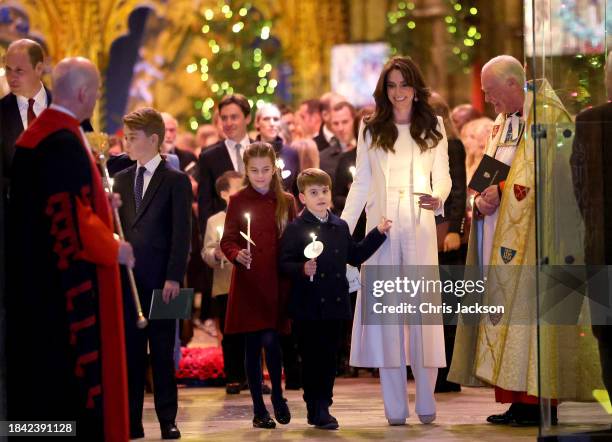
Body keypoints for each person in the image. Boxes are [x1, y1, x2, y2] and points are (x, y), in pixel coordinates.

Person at [7, 56, 132, 441]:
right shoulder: (61, 142)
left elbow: (61, 202)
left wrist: (101, 203)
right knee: (63, 389)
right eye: (94, 93)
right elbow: (70, 222)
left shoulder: (40, 136)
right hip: (63, 291)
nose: (94, 100)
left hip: (33, 279)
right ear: (82, 92)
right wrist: (115, 248)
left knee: (35, 383)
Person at [341, 55, 451, 425]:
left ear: (416, 88)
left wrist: (439, 200)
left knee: (423, 318)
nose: (399, 92)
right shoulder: (371, 129)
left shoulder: (434, 126)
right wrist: (340, 230)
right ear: (383, 90)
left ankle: (426, 399)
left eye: (404, 84)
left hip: (419, 226)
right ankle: (394, 407)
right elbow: (361, 184)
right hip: (382, 229)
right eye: (392, 85)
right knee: (387, 318)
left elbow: (444, 177)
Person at [279, 168, 390, 429]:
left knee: (329, 358)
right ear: (302, 197)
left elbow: (355, 255)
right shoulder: (295, 228)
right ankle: (314, 406)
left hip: (335, 303)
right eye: (314, 192)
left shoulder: (339, 226)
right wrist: (301, 268)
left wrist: (378, 233)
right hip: (307, 306)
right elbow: (283, 263)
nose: (321, 196)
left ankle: (324, 405)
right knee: (311, 357)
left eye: (325, 191)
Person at [113, 107, 192, 439]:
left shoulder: (176, 180)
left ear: (154, 139)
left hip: (165, 282)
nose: (127, 143)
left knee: (162, 353)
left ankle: (166, 419)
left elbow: (182, 232)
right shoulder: (120, 179)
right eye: (126, 136)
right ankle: (131, 420)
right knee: (131, 355)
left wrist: (174, 276)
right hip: (128, 282)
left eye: (133, 138)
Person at [220, 142, 296, 429]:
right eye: (254, 171)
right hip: (250, 282)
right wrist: (236, 253)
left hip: (276, 282)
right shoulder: (238, 200)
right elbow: (228, 240)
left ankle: (277, 395)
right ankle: (257, 408)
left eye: (266, 170)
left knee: (272, 341)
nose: (261, 175)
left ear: (274, 168)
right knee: (254, 345)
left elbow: (295, 238)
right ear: (246, 170)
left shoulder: (286, 200)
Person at [570, 54, 612, 405]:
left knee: (608, 336)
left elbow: (580, 188)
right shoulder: (589, 121)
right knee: (607, 335)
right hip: (601, 243)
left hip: (602, 242)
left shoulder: (590, 120)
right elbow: (580, 186)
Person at [429, 92, 467, 393]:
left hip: (445, 234)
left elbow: (457, 191)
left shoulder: (452, 145)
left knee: (448, 307)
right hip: (428, 230)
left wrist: (455, 228)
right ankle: (433, 371)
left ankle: (448, 374)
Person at [202, 170, 247, 395]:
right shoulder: (215, 221)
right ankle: (233, 376)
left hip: (250, 282)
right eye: (238, 187)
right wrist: (217, 254)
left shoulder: (250, 215)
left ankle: (254, 375)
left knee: (252, 331)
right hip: (225, 283)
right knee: (230, 333)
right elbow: (207, 250)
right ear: (224, 194)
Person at [197, 94, 253, 230]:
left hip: (260, 228)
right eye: (224, 118)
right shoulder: (208, 157)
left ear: (247, 118)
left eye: (234, 117)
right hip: (225, 232)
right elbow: (205, 204)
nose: (228, 123)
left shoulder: (262, 151)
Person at [1, 38, 52, 185]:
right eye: (8, 70)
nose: (11, 78)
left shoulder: (67, 110)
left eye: (19, 70)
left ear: (39, 68)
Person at [255, 103, 299, 192]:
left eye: (276, 119)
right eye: (266, 119)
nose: (272, 123)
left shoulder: (291, 153)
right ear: (257, 123)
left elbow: (296, 190)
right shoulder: (248, 152)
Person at [319, 101, 357, 203]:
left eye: (345, 122)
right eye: (335, 123)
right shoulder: (323, 158)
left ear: (355, 120)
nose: (340, 128)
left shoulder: (368, 151)